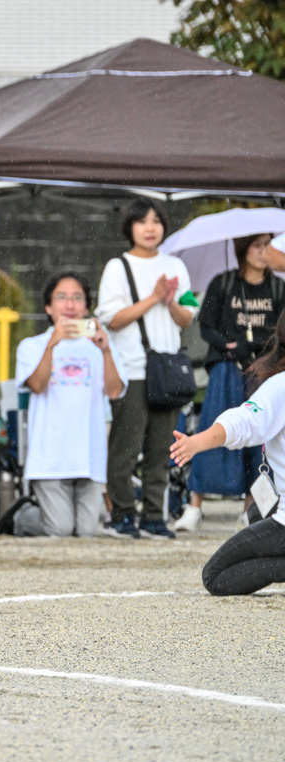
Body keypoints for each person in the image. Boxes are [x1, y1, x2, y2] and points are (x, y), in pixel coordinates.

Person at [96, 198, 196, 539]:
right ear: (130, 227)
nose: (150, 228)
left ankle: (154, 515)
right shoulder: (118, 267)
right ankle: (122, 514)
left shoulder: (176, 266)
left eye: (156, 221)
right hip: (133, 369)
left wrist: (169, 302)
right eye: (142, 221)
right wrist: (153, 297)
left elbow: (188, 315)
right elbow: (113, 319)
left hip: (167, 370)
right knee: (125, 447)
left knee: (160, 449)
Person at [174, 233, 285, 534]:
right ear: (243, 249)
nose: (262, 252)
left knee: (261, 438)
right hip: (227, 368)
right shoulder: (223, 283)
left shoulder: (278, 287)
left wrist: (262, 349)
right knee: (216, 427)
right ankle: (194, 505)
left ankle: (251, 507)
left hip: (265, 371)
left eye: (267, 245)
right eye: (257, 245)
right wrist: (230, 345)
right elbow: (206, 326)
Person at [170, 311, 285, 595]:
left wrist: (196, 442)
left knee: (215, 576)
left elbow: (242, 422)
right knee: (258, 510)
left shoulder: (281, 386)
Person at [15, 271, 126, 537]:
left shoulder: (100, 347)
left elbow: (114, 391)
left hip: (89, 456)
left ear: (87, 307)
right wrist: (52, 345)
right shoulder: (32, 346)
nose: (70, 305)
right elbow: (37, 385)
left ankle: (50, 514)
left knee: (86, 532)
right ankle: (21, 516)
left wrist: (105, 350)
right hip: (49, 458)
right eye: (61, 297)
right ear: (48, 307)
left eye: (77, 298)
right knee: (60, 529)